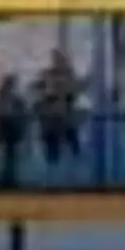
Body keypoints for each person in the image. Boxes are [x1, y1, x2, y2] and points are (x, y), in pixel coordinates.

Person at [35, 44, 85, 176]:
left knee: (74, 148)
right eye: (57, 58)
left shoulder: (69, 74)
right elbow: (37, 90)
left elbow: (75, 91)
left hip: (66, 119)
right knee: (53, 151)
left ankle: (73, 174)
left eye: (61, 58)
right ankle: (53, 174)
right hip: (52, 121)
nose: (60, 61)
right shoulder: (47, 75)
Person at [0, 69, 31, 187]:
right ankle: (3, 179)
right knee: (2, 159)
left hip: (13, 136)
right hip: (3, 134)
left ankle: (10, 180)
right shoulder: (0, 100)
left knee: (11, 159)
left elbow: (24, 116)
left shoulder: (17, 102)